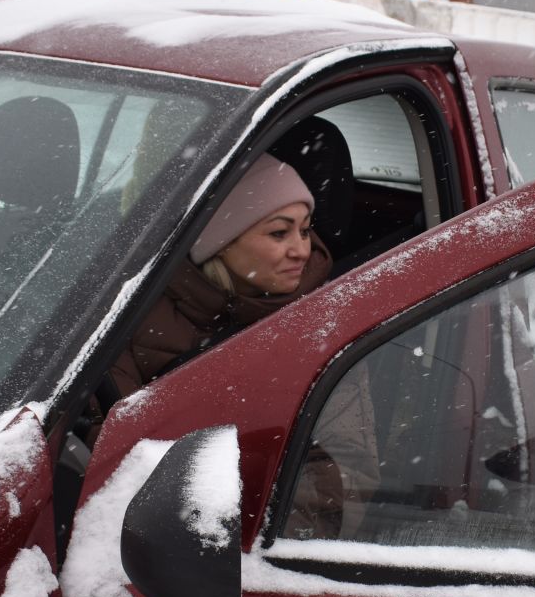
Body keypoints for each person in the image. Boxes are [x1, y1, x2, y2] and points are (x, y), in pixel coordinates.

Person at [106, 152, 376, 536]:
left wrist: (224, 538)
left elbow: (346, 488)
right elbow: (102, 456)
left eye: (304, 229)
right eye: (279, 233)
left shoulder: (325, 330)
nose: (302, 249)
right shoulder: (133, 313)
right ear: (218, 242)